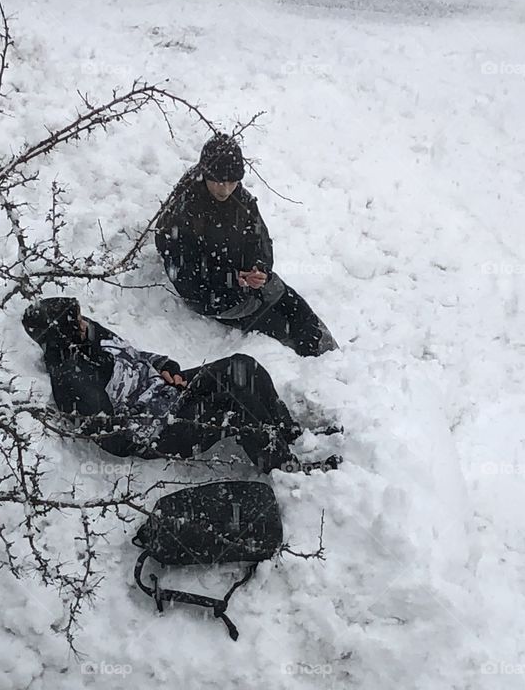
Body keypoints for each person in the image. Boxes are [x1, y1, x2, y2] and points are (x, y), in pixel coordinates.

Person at [21, 297, 341, 474]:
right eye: (74, 321)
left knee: (242, 368)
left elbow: (129, 354)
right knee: (234, 411)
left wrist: (162, 366)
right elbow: (112, 438)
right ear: (62, 334)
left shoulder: (87, 332)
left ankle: (290, 433)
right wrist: (160, 420)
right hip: (160, 429)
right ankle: (286, 468)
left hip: (163, 392)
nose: (83, 322)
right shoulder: (72, 381)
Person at [154, 133, 338, 357]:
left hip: (248, 279)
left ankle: (332, 358)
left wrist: (258, 268)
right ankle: (309, 366)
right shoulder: (184, 211)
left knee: (298, 311)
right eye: (219, 182)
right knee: (279, 326)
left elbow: (260, 240)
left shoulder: (242, 201)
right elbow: (185, 275)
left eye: (232, 182)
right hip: (215, 294)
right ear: (206, 175)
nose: (225, 189)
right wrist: (231, 278)